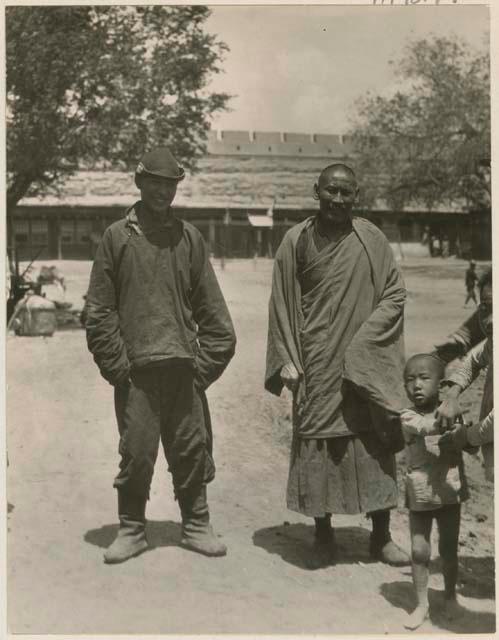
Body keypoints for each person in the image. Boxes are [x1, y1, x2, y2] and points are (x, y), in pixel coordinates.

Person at [85, 147, 236, 564]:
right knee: (136, 453)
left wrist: (201, 370)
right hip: (137, 375)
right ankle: (132, 528)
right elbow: (98, 312)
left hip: (183, 373)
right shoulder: (118, 237)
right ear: (139, 182)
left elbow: (215, 317)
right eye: (154, 182)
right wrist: (119, 369)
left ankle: (196, 524)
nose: (162, 191)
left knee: (192, 449)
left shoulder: (189, 238)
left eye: (169, 184)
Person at [265, 163, 409, 568]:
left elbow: (395, 294)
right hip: (317, 362)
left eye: (347, 193)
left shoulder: (372, 240)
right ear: (317, 191)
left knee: (375, 441)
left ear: (356, 196)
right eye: (331, 191)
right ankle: (323, 534)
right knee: (318, 444)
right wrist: (286, 359)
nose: (338, 200)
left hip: (366, 367)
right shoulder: (295, 241)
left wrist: (364, 344)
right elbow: (280, 304)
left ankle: (381, 536)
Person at [401, 354, 474, 630]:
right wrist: (452, 425)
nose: (417, 385)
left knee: (448, 548)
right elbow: (426, 427)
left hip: (449, 491)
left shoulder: (454, 412)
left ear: (441, 385)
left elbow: (469, 444)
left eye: (424, 378)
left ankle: (450, 596)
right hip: (419, 493)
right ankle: (422, 604)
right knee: (419, 550)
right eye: (410, 380)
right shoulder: (408, 416)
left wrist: (466, 435)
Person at [437, 268, 493, 482]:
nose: (490, 321)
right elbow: (473, 360)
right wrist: (452, 394)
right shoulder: (493, 343)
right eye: (485, 309)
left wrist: (468, 438)